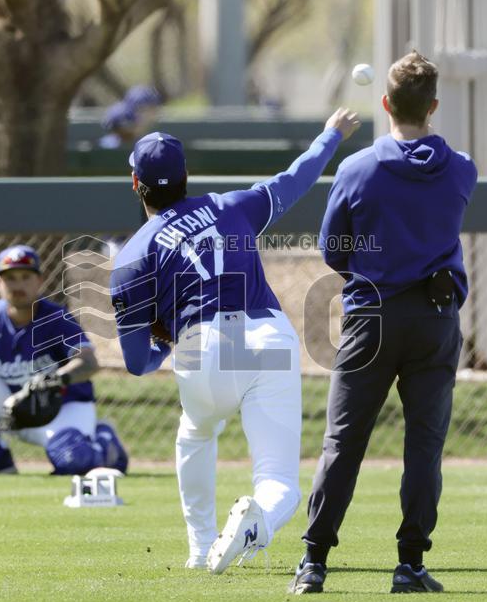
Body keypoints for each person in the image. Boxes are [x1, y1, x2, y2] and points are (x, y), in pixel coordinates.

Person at [109, 109, 360, 572]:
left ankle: (201, 546)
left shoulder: (132, 257)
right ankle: (254, 524)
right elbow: (296, 178)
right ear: (186, 176)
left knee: (195, 432)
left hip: (200, 346)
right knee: (279, 481)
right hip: (268, 335)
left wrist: (165, 340)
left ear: (135, 184)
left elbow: (137, 362)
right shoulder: (231, 206)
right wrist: (331, 135)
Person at [289, 52, 477, 595]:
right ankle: (410, 565)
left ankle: (314, 562)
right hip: (434, 318)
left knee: (343, 442)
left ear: (385, 104)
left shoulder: (357, 169)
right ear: (433, 106)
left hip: (370, 317)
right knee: (424, 446)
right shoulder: (462, 168)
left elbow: (332, 248)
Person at [0, 245, 128, 475]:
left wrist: (55, 379)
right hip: (12, 408)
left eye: (26, 277)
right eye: (10, 278)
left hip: (61, 409)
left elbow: (89, 363)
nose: (18, 285)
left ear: (39, 281)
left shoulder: (57, 318)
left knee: (74, 461)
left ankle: (103, 440)